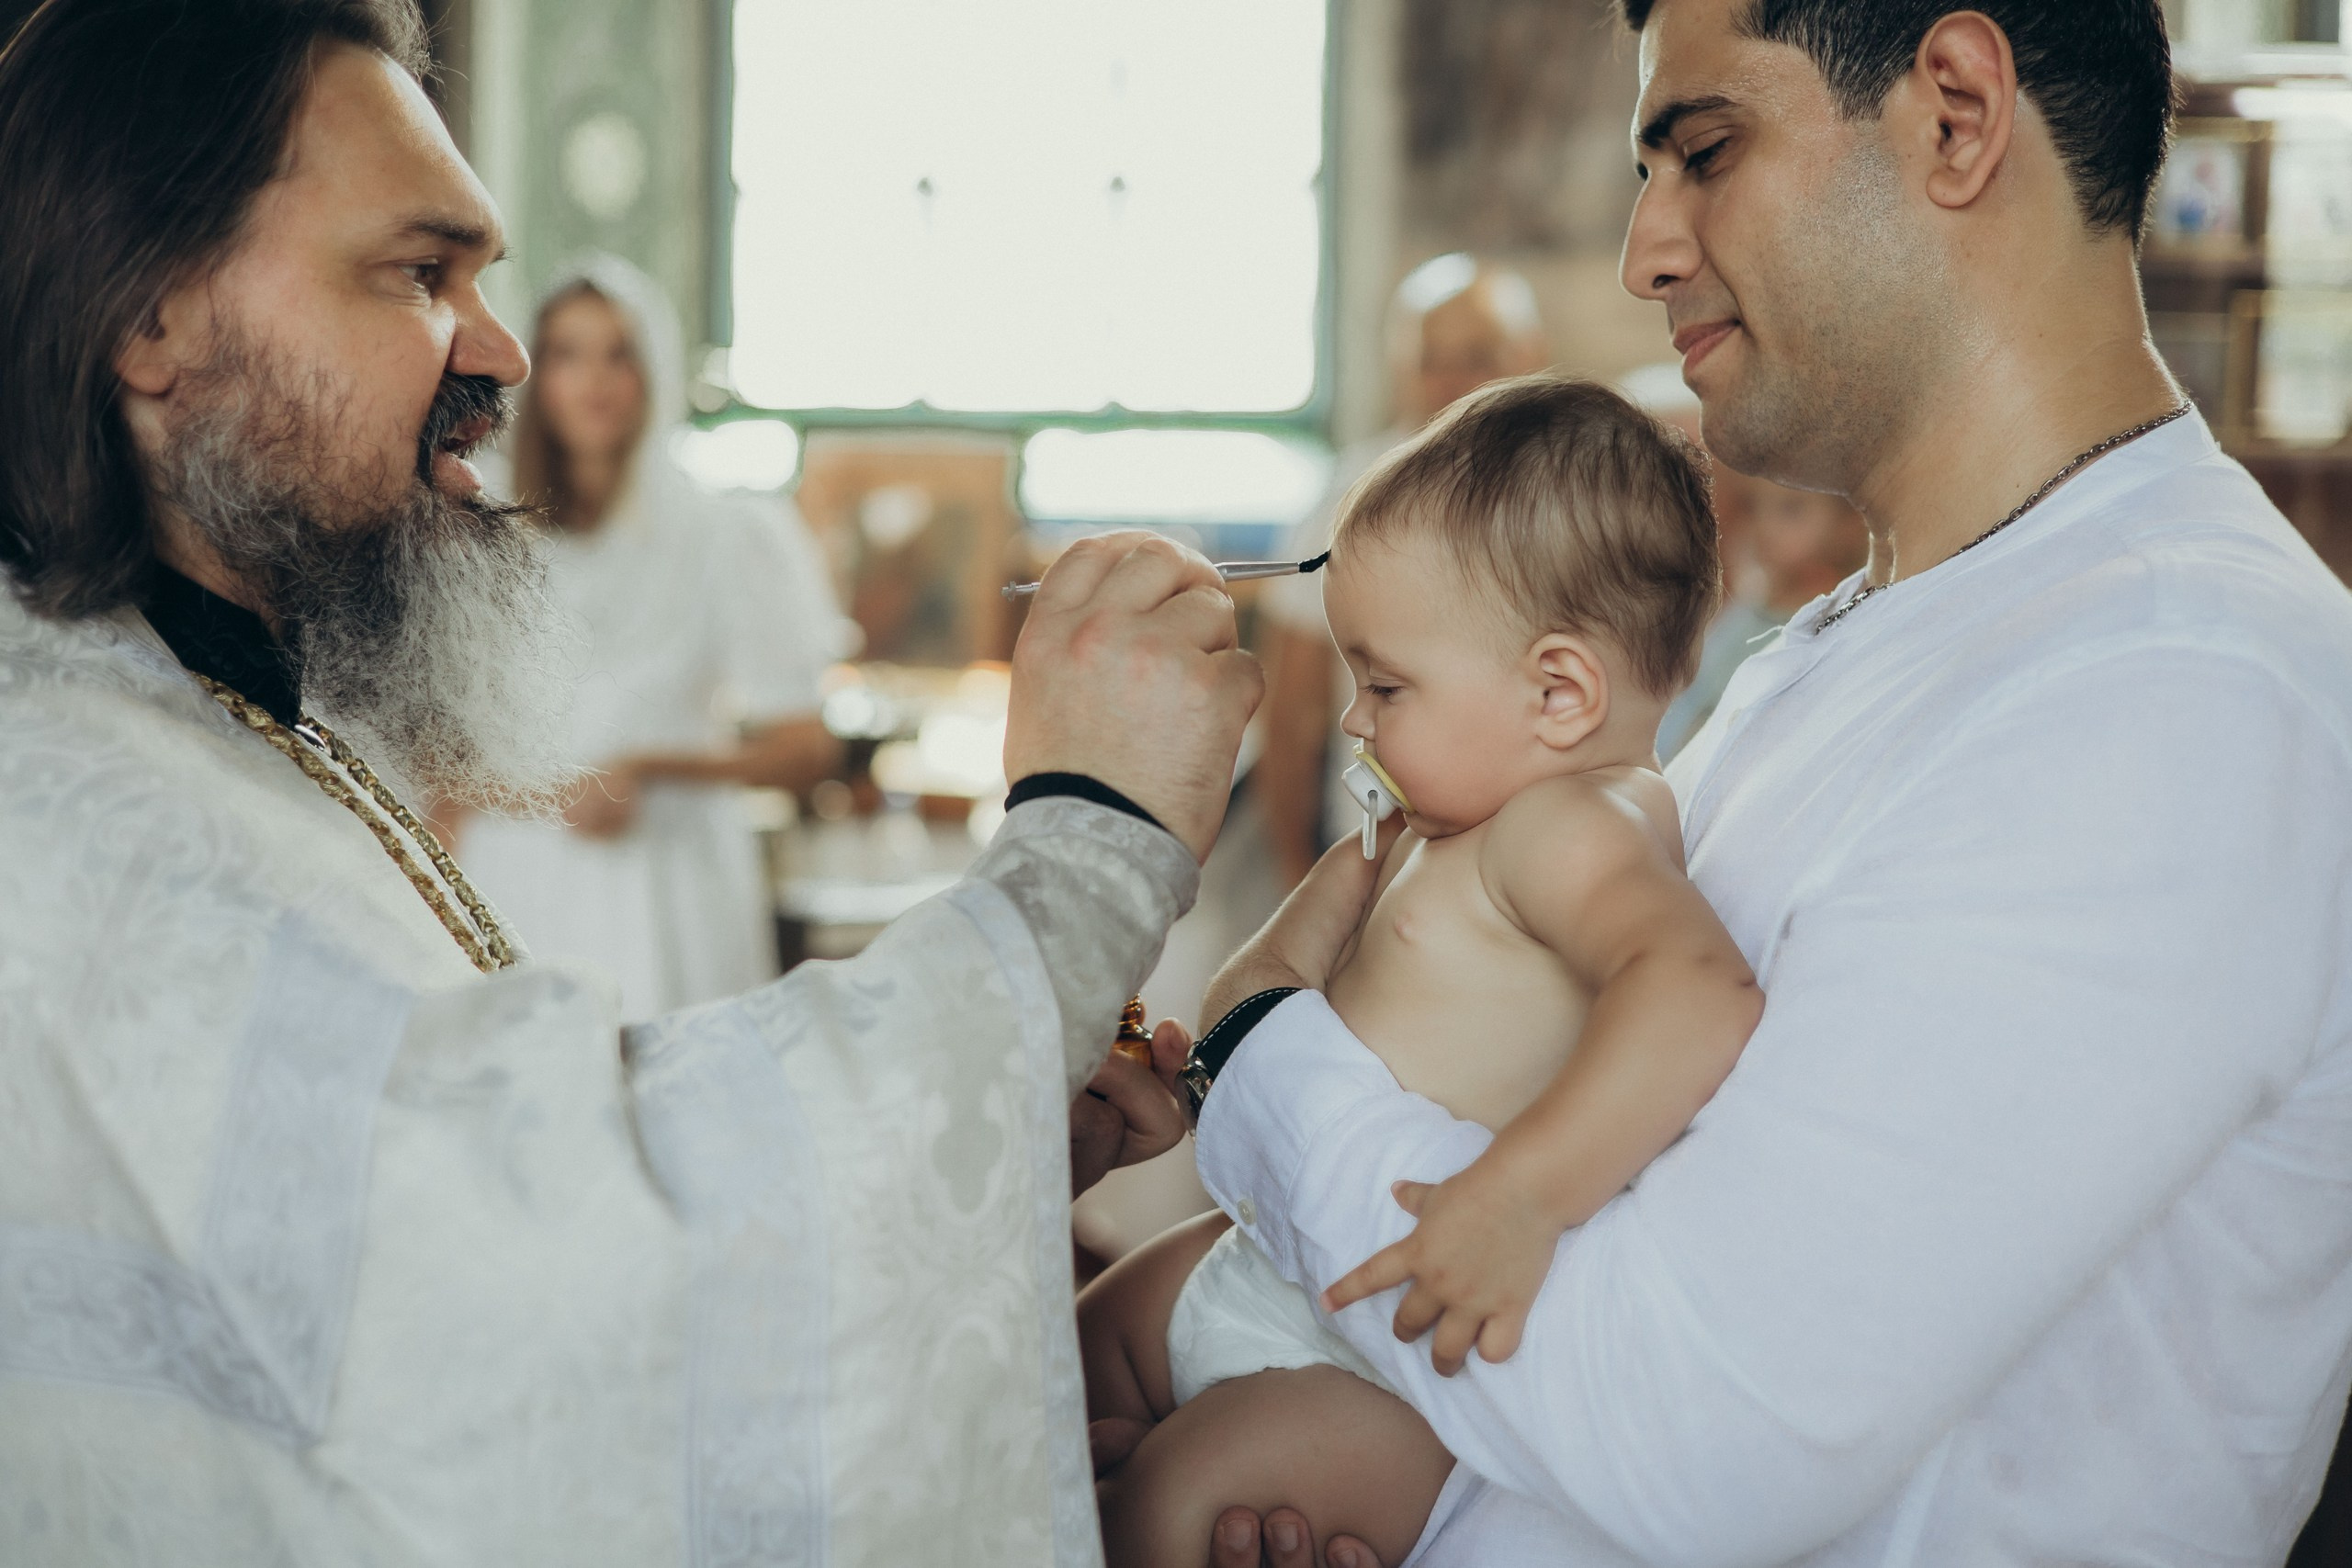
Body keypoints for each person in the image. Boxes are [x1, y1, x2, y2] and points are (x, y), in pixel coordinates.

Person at [0, 3, 1247, 1560]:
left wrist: (980, 1139)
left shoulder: (195, 704)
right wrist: (1092, 848)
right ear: (153, 315)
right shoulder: (64, 803)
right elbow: (529, 1296)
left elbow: (447, 1175)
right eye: (420, 272)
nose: (504, 350)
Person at [1169, 1, 2352, 1563]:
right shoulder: (1880, 627)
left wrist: (1259, 1060)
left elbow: (1690, 1416)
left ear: (1955, 112)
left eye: (1705, 151)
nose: (1644, 253)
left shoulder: (2178, 687)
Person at [1081, 377, 1764, 1566]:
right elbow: (1271, 977)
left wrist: (1526, 1193)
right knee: (1048, 1364)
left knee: (1170, 1503)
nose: (1356, 722)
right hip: (1268, 1256)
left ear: (1560, 691)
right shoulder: (1445, 827)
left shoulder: (1575, 825)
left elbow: (1696, 988)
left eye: (1386, 687)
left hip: (1380, 1358)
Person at [452, 255, 844, 1021]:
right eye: (567, 353)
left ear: (654, 369)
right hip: (517, 868)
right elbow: (435, 745)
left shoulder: (728, 532)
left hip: (671, 878)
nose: (594, 380)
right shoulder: (479, 524)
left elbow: (805, 747)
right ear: (538, 372)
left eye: (619, 352)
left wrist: (647, 767)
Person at [1255, 254, 1549, 889]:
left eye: (1477, 356)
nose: (1452, 380)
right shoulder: (1347, 496)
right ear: (1399, 368)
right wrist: (1294, 877)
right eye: (1430, 359)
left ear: (1529, 354)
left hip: (1532, 855)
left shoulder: (1569, 496)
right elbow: (1293, 709)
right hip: (1379, 854)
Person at [1655, 465, 1867, 758]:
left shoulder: (1830, 628)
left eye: (1791, 510)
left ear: (1851, 524)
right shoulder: (1745, 607)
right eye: (1753, 508)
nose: (1764, 527)